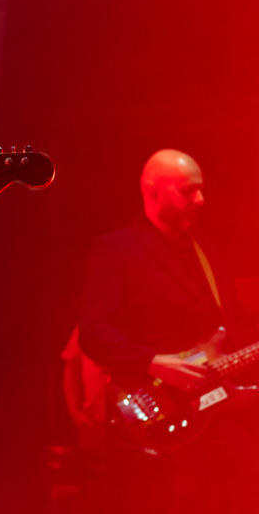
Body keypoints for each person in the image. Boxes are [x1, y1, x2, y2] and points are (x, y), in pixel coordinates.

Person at [79, 148, 259, 513]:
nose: (200, 200)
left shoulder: (207, 253)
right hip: (154, 420)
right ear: (152, 190)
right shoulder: (118, 249)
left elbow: (235, 325)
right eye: (188, 191)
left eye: (202, 190)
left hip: (214, 416)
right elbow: (93, 332)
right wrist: (154, 362)